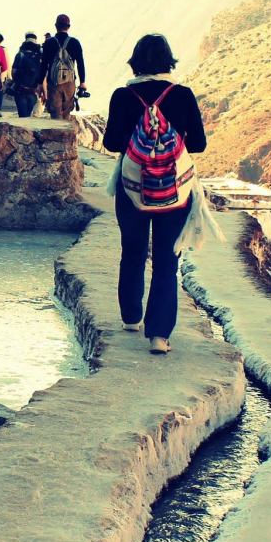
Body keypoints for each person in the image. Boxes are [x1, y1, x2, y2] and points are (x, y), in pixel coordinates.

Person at [102, 33, 207, 355]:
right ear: (168, 62)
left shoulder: (123, 96)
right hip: (175, 191)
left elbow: (111, 143)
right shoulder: (183, 95)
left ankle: (131, 317)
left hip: (132, 187)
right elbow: (199, 144)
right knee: (166, 261)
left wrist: (139, 146)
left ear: (135, 62)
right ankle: (159, 336)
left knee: (132, 251)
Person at [41, 14, 86, 120]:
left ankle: (56, 130)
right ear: (68, 26)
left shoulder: (49, 42)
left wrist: (39, 83)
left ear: (56, 26)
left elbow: (44, 65)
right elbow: (80, 63)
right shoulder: (75, 42)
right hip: (69, 83)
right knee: (67, 113)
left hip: (53, 83)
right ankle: (65, 129)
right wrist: (82, 81)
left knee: (55, 114)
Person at [10, 33, 44, 118]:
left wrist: (16, 80)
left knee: (22, 115)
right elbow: (42, 74)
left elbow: (13, 71)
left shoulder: (20, 55)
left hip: (20, 89)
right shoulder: (38, 57)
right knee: (28, 115)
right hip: (33, 90)